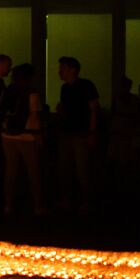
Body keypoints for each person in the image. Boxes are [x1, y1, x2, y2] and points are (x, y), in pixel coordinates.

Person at [55, 55, 99, 213]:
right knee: (66, 168)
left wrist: (92, 132)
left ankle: (85, 200)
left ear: (73, 70)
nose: (60, 71)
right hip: (68, 132)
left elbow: (94, 109)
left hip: (80, 133)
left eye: (63, 68)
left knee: (82, 169)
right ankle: (71, 199)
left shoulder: (85, 86)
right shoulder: (65, 88)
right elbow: (93, 109)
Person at [0, 62, 45, 216]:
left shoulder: (7, 91)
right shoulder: (31, 92)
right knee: (33, 171)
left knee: (10, 170)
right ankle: (38, 205)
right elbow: (34, 116)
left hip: (7, 133)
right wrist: (38, 136)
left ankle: (8, 204)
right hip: (26, 134)